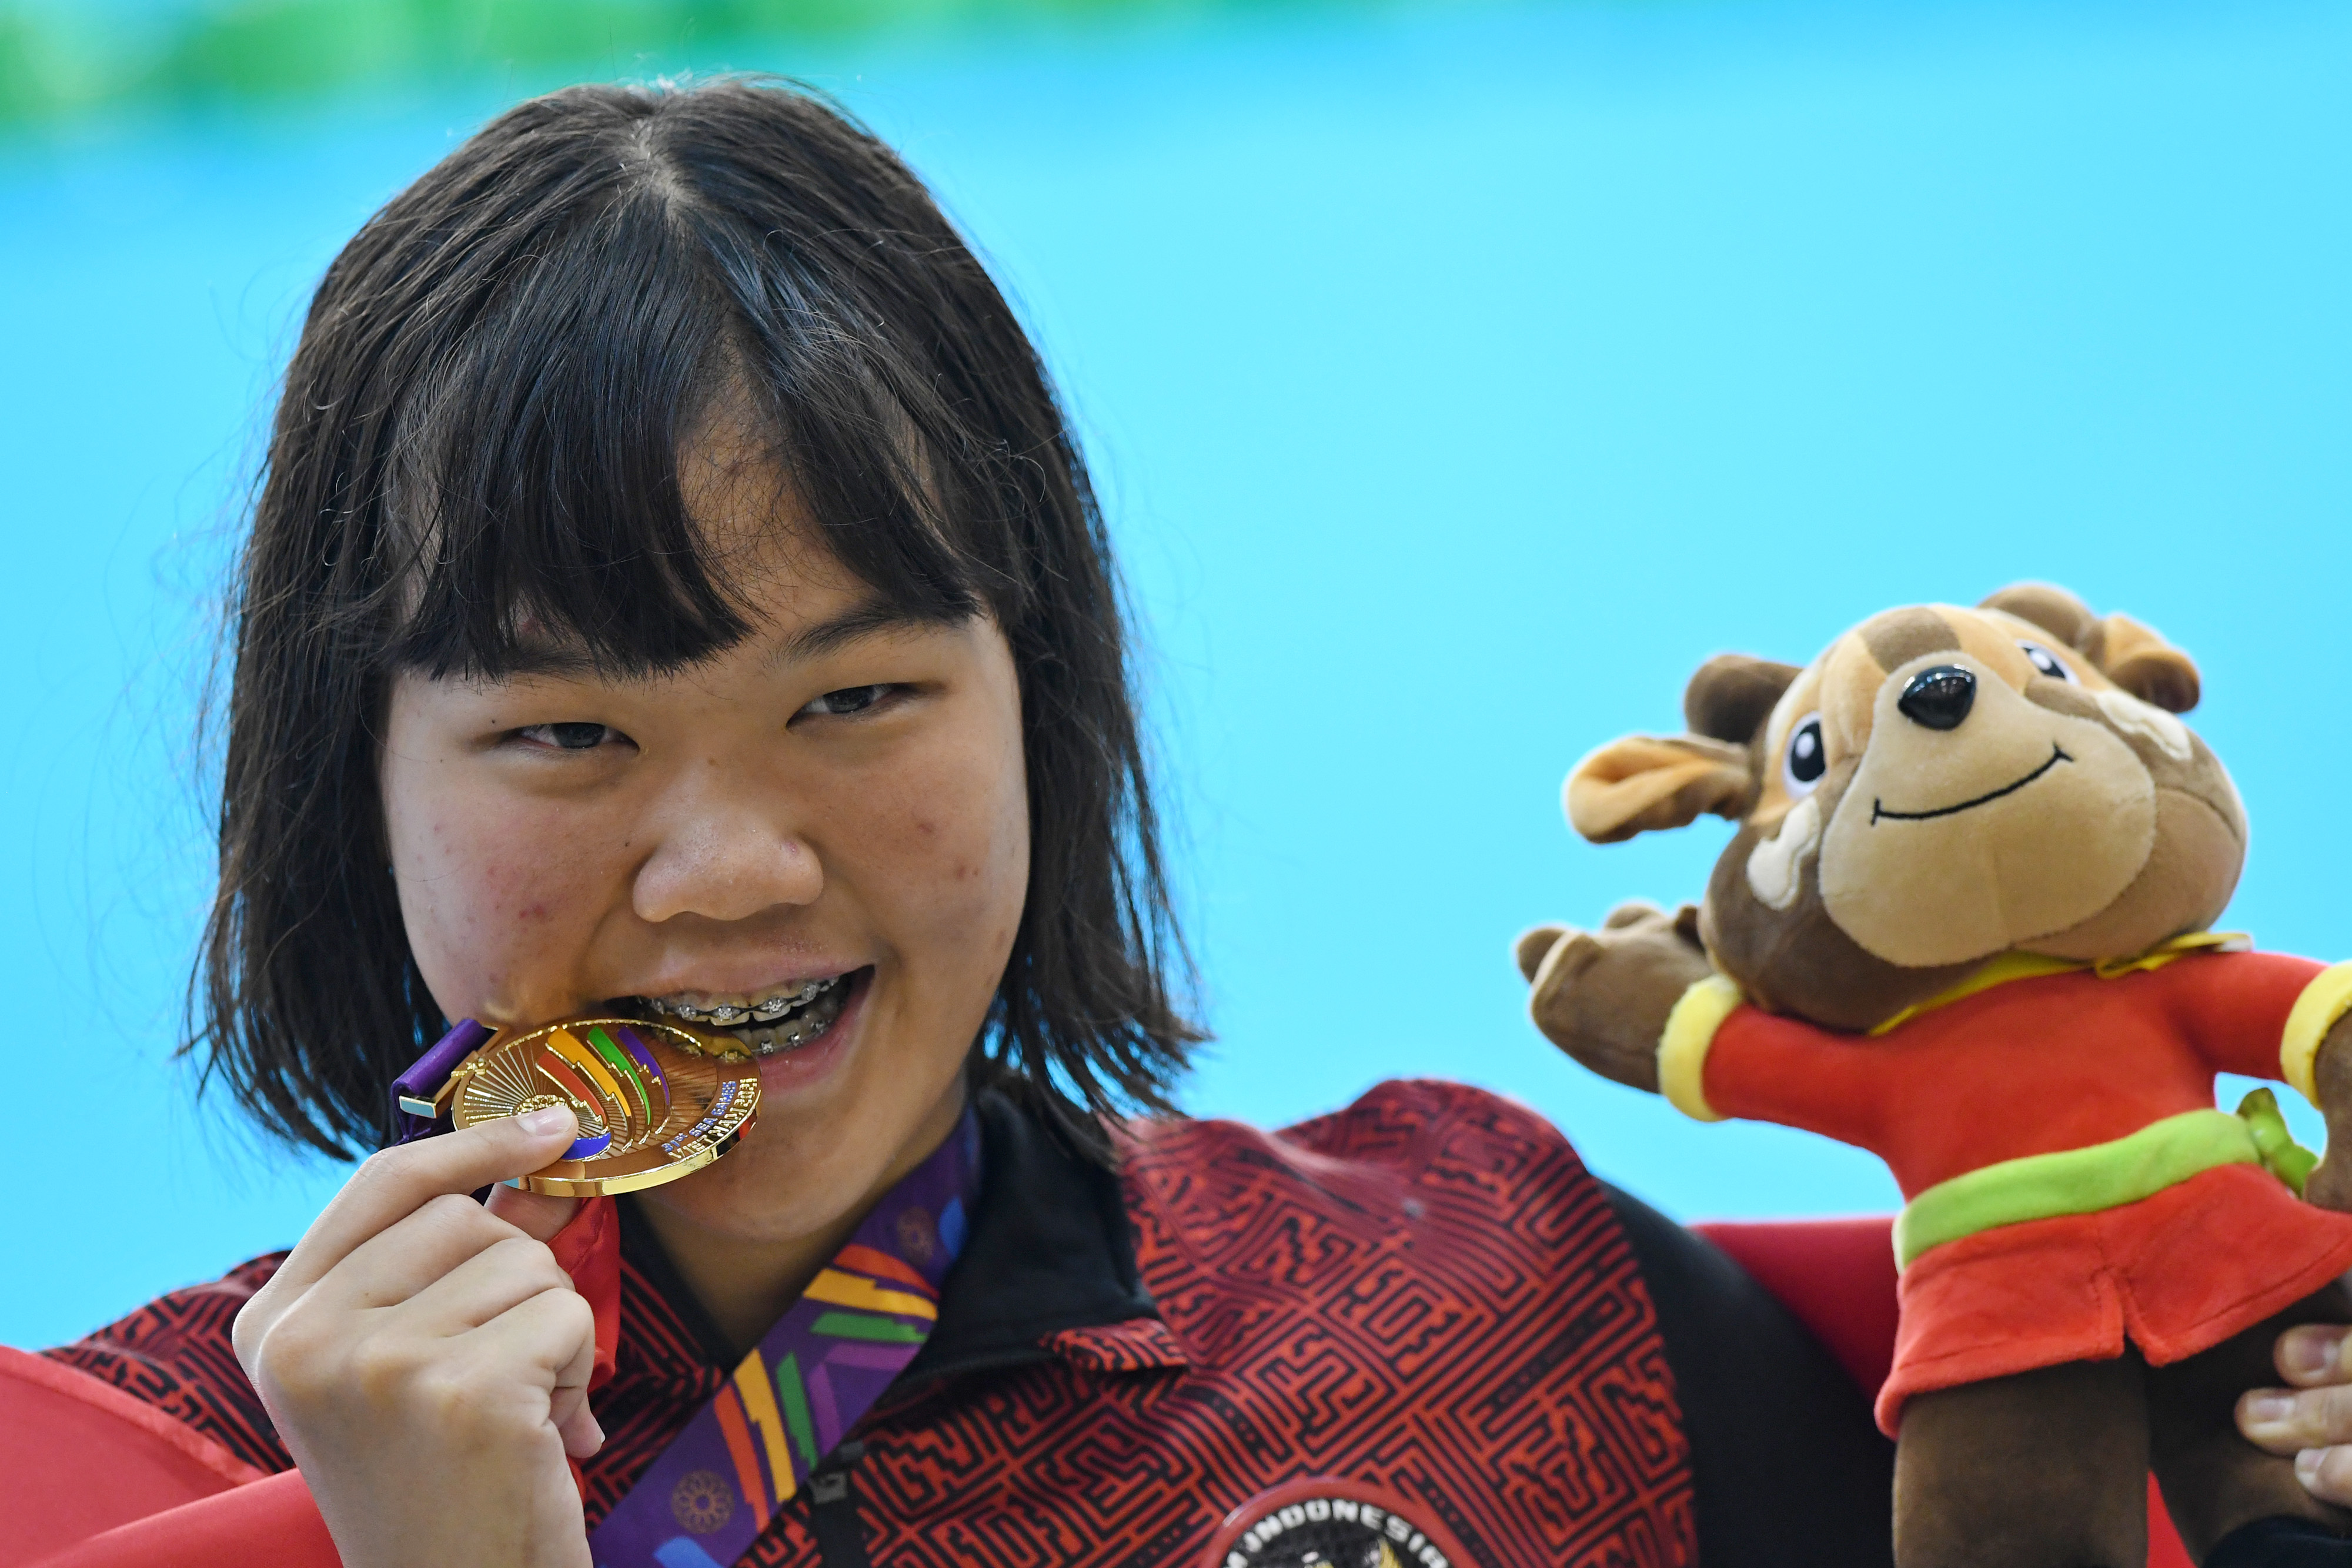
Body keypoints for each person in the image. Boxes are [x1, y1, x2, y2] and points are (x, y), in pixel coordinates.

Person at [10, 76, 2340, 1568]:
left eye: (856, 694)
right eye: (566, 738)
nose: (726, 861)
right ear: (353, 777)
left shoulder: (1496, 1283)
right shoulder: (109, 1478)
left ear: (1045, 703)